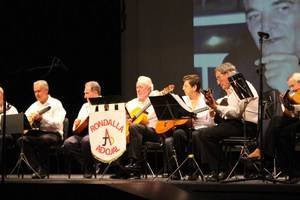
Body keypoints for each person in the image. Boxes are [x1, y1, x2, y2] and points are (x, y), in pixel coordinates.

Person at [193, 62, 258, 181]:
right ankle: (221, 170)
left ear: (228, 73)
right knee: (202, 133)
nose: (218, 82)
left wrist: (216, 107)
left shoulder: (240, 85)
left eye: (218, 78)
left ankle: (222, 170)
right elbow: (233, 112)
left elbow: (236, 113)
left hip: (247, 126)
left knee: (206, 134)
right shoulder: (233, 89)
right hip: (239, 123)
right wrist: (215, 106)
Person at [248, 72, 300, 183]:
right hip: (295, 121)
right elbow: (290, 114)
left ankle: (263, 153)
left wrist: (293, 105)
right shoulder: (293, 94)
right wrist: (287, 104)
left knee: (280, 126)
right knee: (280, 132)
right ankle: (292, 174)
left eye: (292, 85)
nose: (291, 88)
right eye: (289, 86)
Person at [243, 0, 300, 93]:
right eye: (254, 16)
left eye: (283, 8)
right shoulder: (241, 72)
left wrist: (293, 89)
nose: (265, 27)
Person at [112, 76, 161, 179]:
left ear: (148, 89)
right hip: (135, 133)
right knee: (119, 130)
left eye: (141, 87)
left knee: (135, 127)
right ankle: (119, 168)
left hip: (152, 132)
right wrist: (126, 120)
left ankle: (135, 164)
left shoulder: (155, 100)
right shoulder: (130, 103)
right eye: (137, 87)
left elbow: (147, 119)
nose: (138, 90)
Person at [17, 80, 66, 179]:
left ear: (46, 90)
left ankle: (43, 170)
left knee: (43, 139)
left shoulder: (56, 103)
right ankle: (37, 168)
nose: (37, 94)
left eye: (39, 91)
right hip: (39, 133)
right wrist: (25, 125)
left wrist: (43, 119)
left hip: (54, 134)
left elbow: (58, 123)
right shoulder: (34, 106)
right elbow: (26, 118)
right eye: (35, 91)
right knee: (22, 140)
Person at [169, 74, 215, 180]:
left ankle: (196, 170)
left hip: (202, 129)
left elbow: (210, 123)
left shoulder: (206, 100)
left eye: (185, 86)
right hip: (187, 129)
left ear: (194, 87)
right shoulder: (183, 100)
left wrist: (209, 114)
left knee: (195, 134)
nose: (182, 88)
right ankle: (181, 169)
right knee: (178, 133)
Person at [63, 81, 101, 178]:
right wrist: (76, 124)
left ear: (95, 92)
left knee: (86, 141)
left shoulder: (105, 104)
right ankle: (91, 165)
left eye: (86, 93)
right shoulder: (85, 106)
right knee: (68, 143)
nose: (84, 96)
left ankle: (88, 168)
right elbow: (76, 127)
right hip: (83, 133)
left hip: (99, 133)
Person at [0, 86, 18, 168]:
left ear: (2, 95)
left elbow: (15, 126)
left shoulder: (11, 109)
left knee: (1, 138)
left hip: (8, 134)